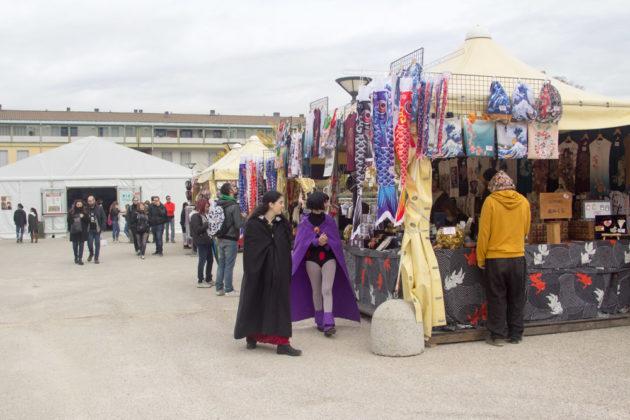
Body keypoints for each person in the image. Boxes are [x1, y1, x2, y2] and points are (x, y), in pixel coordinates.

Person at [234, 191, 301, 357]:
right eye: (280, 202)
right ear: (270, 204)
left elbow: (286, 247)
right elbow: (251, 250)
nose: (283, 205)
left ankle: (282, 343)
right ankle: (252, 335)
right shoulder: (254, 225)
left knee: (280, 304)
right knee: (256, 300)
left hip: (279, 273)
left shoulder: (282, 224)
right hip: (259, 271)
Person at [291, 192, 360, 336]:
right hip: (312, 260)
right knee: (316, 290)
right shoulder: (304, 222)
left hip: (329, 258)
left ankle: (329, 322)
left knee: (327, 289)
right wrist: (316, 241)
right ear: (319, 203)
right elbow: (299, 244)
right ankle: (319, 319)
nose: (328, 203)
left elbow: (336, 241)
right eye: (326, 201)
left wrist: (327, 241)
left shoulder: (329, 220)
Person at [476, 171, 531, 346]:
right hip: (517, 256)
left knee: (497, 297)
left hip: (495, 258)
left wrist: (481, 258)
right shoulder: (523, 202)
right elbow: (526, 229)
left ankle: (497, 335)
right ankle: (515, 334)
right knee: (516, 297)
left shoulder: (490, 202)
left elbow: (484, 233)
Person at [215, 183, 244, 297]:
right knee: (229, 265)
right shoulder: (233, 205)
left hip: (220, 237)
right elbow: (238, 224)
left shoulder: (218, 203)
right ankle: (229, 289)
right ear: (229, 191)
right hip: (230, 238)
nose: (235, 188)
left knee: (221, 264)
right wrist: (246, 218)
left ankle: (219, 288)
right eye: (233, 187)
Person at [189, 198, 215, 288]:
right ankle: (200, 280)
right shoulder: (195, 216)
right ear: (202, 206)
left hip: (208, 241)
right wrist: (207, 224)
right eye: (207, 206)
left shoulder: (204, 215)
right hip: (201, 242)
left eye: (208, 206)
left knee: (210, 260)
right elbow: (197, 230)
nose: (208, 208)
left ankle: (208, 278)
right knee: (202, 261)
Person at [86, 195, 106, 264]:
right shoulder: (86, 209)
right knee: (90, 244)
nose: (90, 202)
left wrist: (103, 227)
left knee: (97, 244)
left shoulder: (99, 208)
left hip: (97, 229)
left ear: (94, 200)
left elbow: (104, 218)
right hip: (89, 230)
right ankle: (91, 253)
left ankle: (96, 258)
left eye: (91, 201)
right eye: (89, 201)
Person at [68, 199, 89, 265]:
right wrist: (74, 218)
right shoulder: (71, 211)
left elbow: (88, 221)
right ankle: (76, 257)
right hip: (74, 231)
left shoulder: (85, 212)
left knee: (81, 245)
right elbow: (68, 220)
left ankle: (80, 259)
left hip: (82, 231)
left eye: (80, 204)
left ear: (82, 204)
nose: (79, 206)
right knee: (75, 246)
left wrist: (83, 217)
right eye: (77, 204)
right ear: (75, 205)